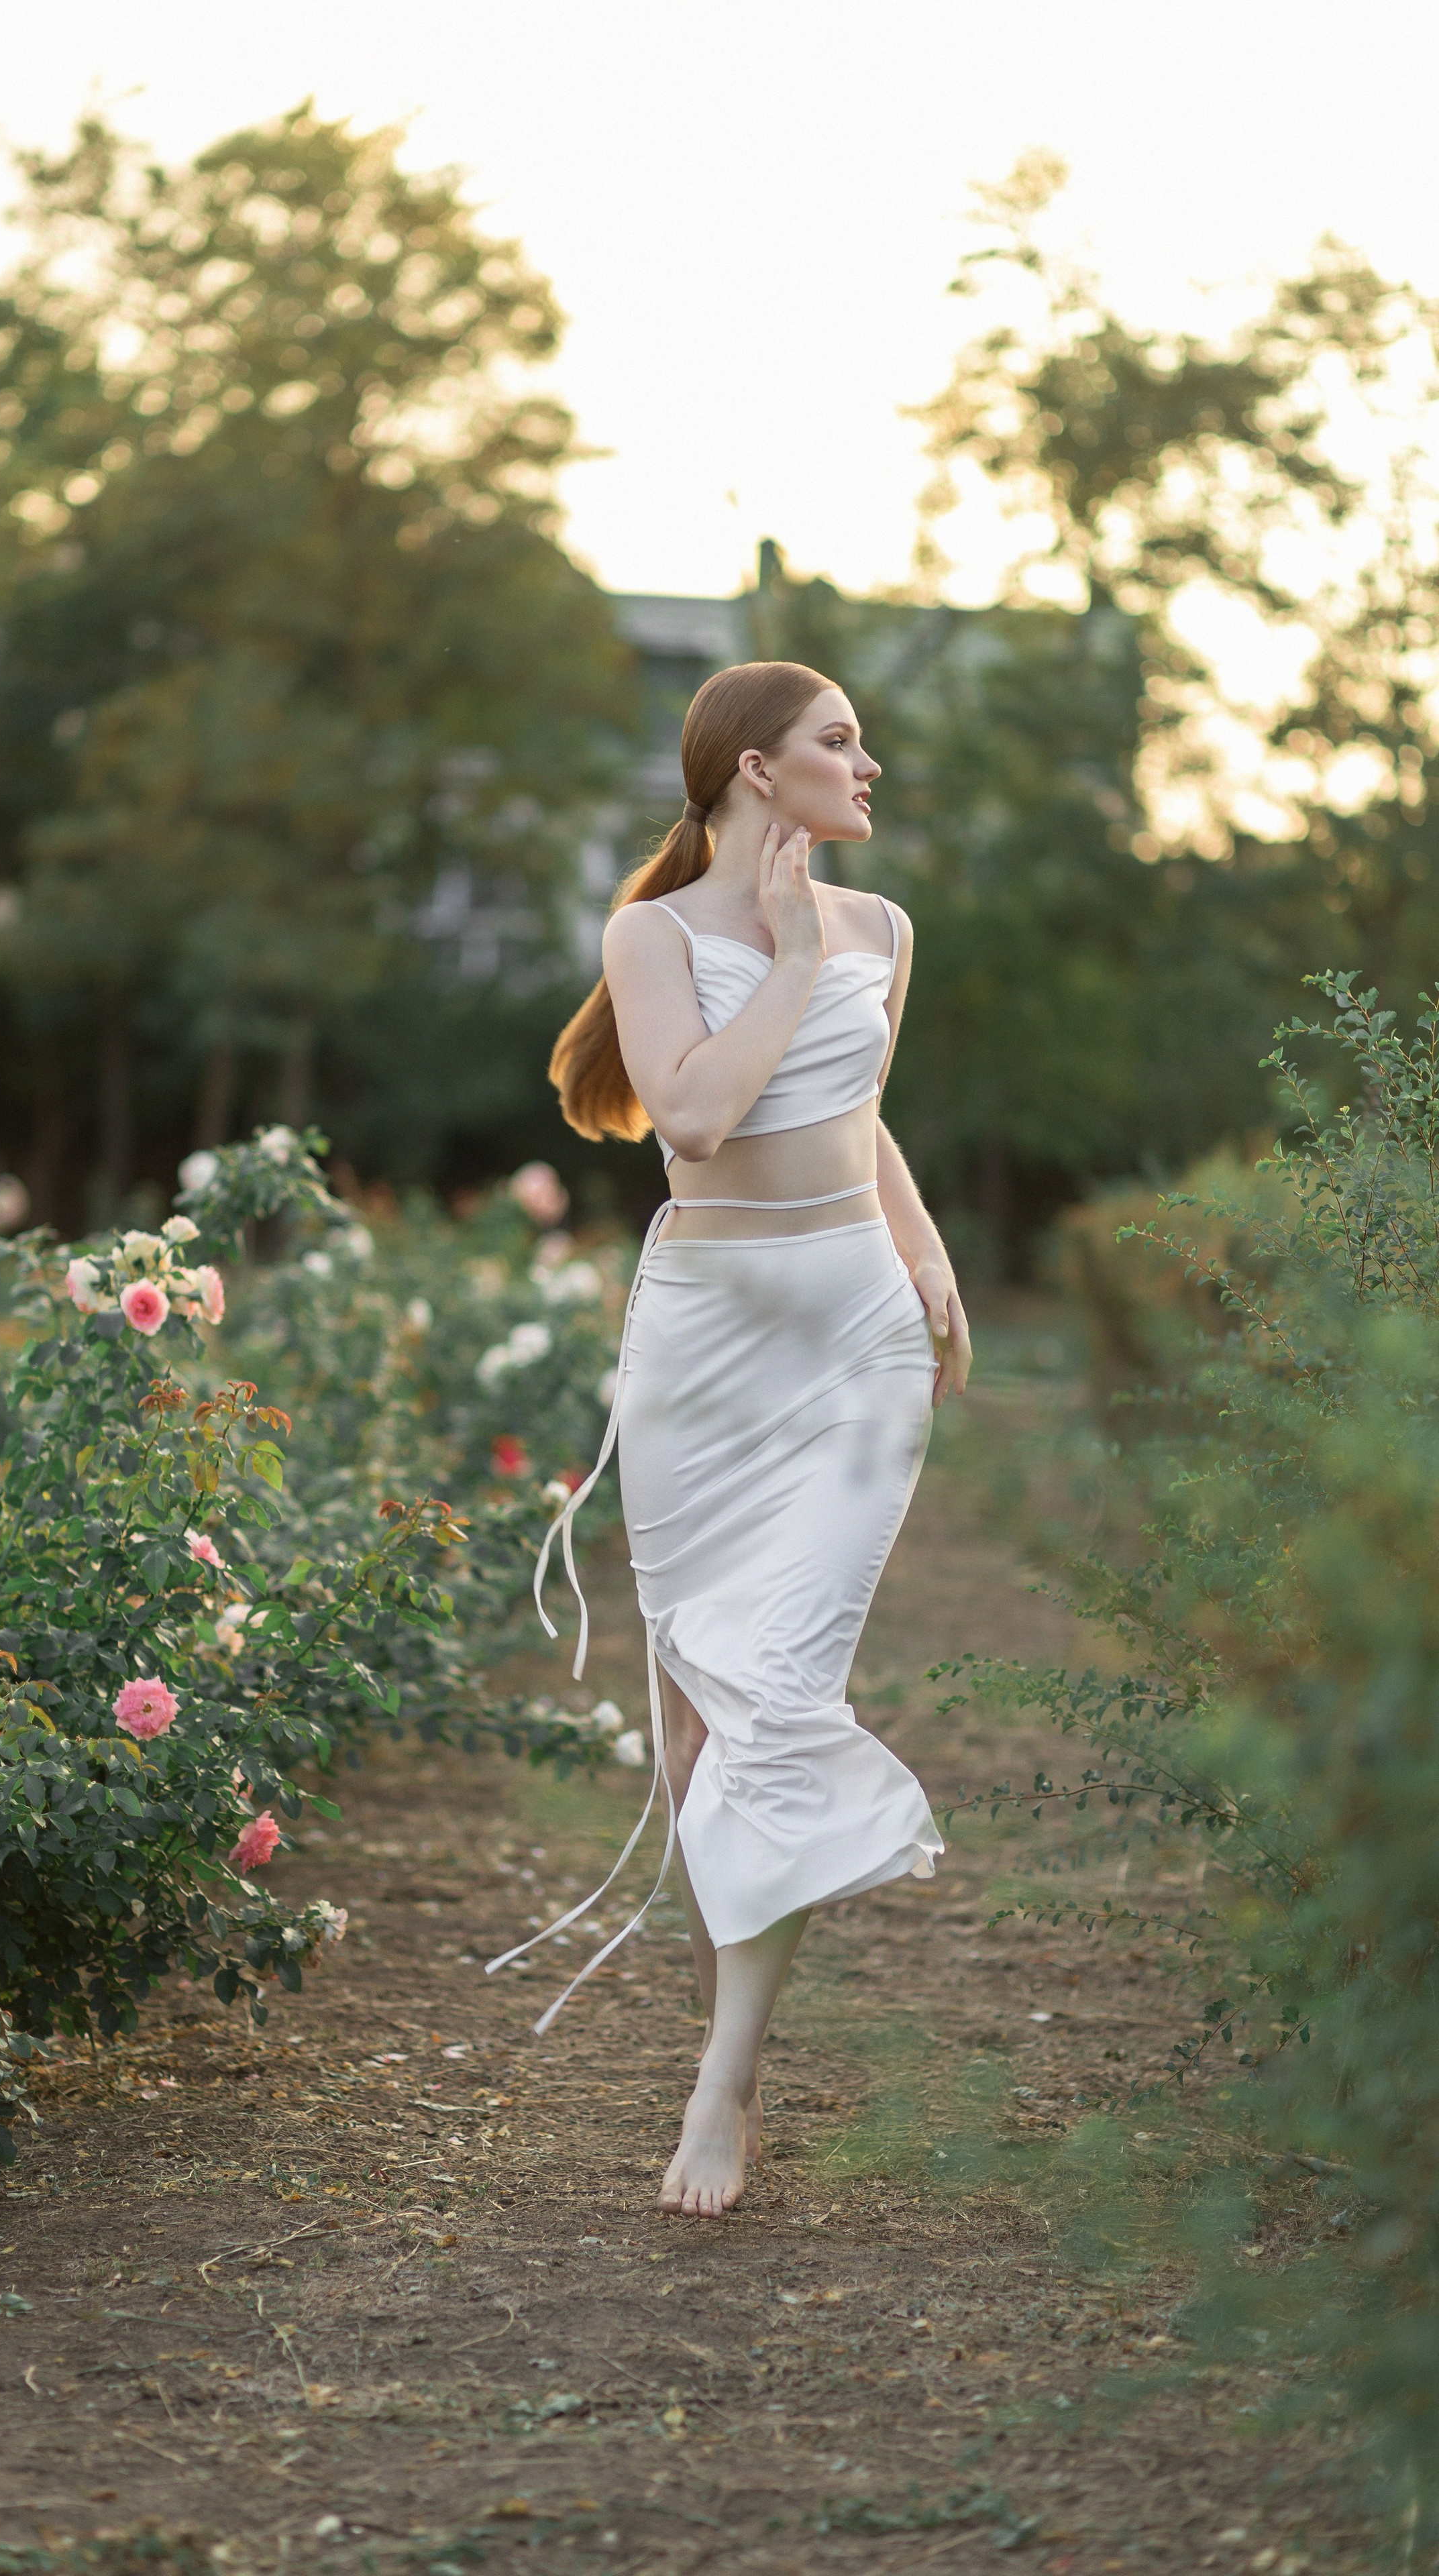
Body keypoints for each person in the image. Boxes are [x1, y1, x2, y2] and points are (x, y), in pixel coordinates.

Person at [486, 659, 971, 2218]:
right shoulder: (654, 934)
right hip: (702, 1339)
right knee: (696, 1725)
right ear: (753, 771)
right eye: (838, 740)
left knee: (777, 1695)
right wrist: (782, 947)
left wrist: (927, 1250)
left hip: (853, 1336)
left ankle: (725, 2083)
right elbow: (690, 1121)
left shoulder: (884, 931)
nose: (866, 761)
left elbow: (857, 1108)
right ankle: (729, 2032)